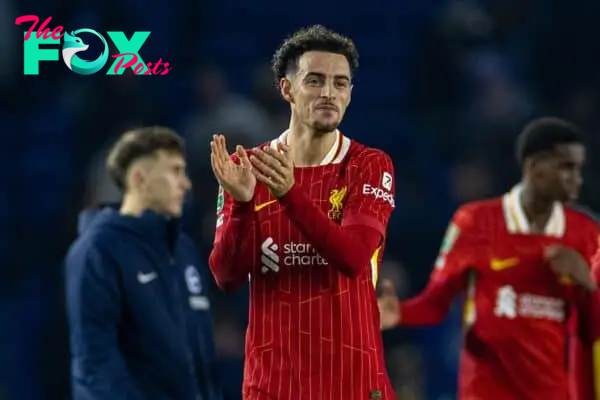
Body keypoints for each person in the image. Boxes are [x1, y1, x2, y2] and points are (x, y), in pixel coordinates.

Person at [209, 25, 397, 399]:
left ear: (350, 94)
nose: (329, 93)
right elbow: (226, 276)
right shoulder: (246, 168)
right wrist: (244, 206)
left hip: (353, 383)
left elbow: (354, 257)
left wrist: (289, 193)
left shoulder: (369, 165)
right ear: (286, 89)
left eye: (340, 83)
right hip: (273, 384)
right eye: (315, 80)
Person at [377, 117, 599, 400]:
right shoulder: (475, 222)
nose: (576, 179)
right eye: (566, 168)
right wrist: (401, 313)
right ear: (535, 167)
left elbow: (592, 334)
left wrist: (587, 284)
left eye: (578, 168)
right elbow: (437, 303)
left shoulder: (585, 234)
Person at [65, 127, 221, 400]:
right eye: (174, 171)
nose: (186, 184)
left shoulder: (183, 248)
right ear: (139, 179)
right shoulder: (97, 251)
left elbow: (201, 364)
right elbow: (95, 366)